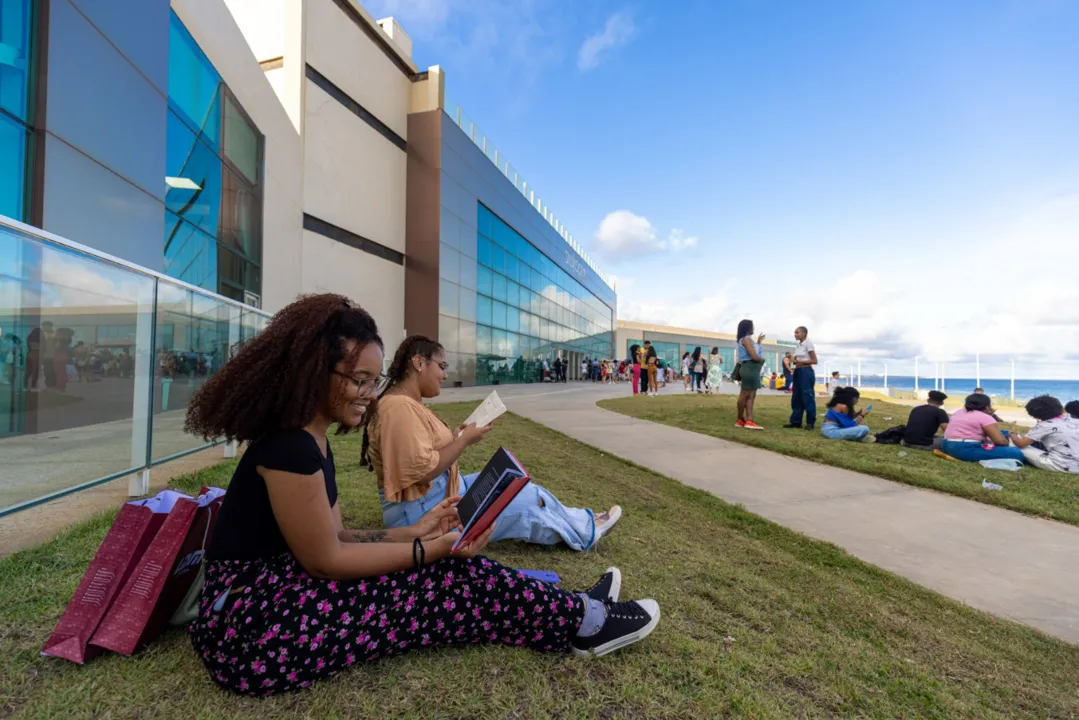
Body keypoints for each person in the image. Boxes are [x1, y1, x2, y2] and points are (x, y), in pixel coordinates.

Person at [183, 295, 659, 697]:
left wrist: (410, 532)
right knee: (446, 579)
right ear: (314, 371)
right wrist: (425, 550)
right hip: (252, 627)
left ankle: (574, 609)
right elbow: (326, 560)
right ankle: (581, 623)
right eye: (358, 380)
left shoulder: (313, 441)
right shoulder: (288, 446)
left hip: (280, 594)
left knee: (451, 572)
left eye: (373, 381)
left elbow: (339, 535)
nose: (369, 393)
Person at [366, 335, 621, 551]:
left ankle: (578, 518)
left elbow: (421, 452)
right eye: (442, 366)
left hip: (442, 492)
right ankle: (586, 531)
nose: (444, 375)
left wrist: (456, 436)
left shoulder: (405, 403)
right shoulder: (397, 408)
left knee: (514, 483)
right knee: (528, 503)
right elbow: (421, 471)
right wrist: (463, 441)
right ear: (419, 363)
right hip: (424, 512)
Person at [940, 393, 1024, 463]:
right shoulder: (984, 417)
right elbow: (1001, 442)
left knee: (1004, 432)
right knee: (1017, 453)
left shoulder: (959, 412)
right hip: (964, 449)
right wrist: (1008, 443)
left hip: (945, 445)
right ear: (987, 407)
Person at [1010, 396, 1079, 473]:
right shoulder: (1071, 420)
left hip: (1061, 465)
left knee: (1014, 443)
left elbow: (1020, 444)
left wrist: (1013, 435)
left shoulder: (1045, 425)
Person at [783, 326, 818, 431]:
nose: (795, 334)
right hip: (797, 371)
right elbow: (797, 360)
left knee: (807, 397)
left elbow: (814, 360)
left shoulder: (808, 343)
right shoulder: (798, 345)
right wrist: (793, 358)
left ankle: (810, 423)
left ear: (804, 333)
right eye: (795, 332)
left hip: (806, 372)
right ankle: (795, 422)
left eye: (797, 332)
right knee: (796, 397)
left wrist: (800, 362)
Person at [735, 320, 765, 430]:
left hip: (750, 369)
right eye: (752, 326)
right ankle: (743, 419)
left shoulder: (744, 339)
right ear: (748, 327)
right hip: (750, 368)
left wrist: (758, 342)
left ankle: (747, 419)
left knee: (750, 395)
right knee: (746, 394)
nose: (753, 328)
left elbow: (753, 350)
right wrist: (762, 359)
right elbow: (754, 356)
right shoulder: (746, 339)